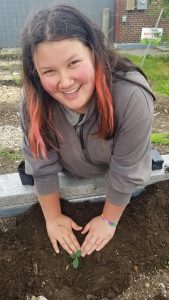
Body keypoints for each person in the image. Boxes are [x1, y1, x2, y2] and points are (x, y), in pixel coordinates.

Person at [20, 5, 154, 257]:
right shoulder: (33, 102)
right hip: (70, 168)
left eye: (73, 63)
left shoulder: (130, 96)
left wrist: (108, 220)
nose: (66, 81)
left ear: (94, 53)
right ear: (36, 74)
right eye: (49, 71)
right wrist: (53, 217)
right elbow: (41, 164)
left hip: (116, 167)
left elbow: (126, 171)